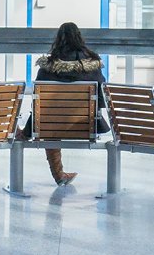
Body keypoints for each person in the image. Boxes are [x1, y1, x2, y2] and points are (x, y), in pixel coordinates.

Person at [33, 22, 104, 186]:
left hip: (51, 126)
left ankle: (58, 174)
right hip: (86, 126)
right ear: (80, 38)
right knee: (51, 123)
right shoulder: (92, 66)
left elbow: (38, 103)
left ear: (58, 39)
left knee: (49, 125)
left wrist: (30, 130)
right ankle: (60, 174)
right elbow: (101, 98)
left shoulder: (47, 68)